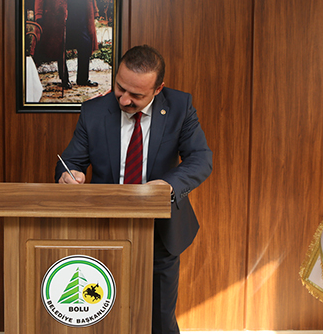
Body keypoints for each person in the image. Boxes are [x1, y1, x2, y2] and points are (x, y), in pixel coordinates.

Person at [56, 45, 213, 334]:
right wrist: (69, 175)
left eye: (137, 95)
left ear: (158, 89)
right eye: (120, 88)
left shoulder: (179, 106)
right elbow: (70, 162)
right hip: (104, 227)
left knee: (160, 320)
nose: (124, 99)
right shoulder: (94, 111)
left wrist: (168, 186)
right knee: (100, 313)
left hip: (160, 231)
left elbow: (201, 159)